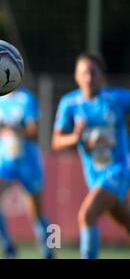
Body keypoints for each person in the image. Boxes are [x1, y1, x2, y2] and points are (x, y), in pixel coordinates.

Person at [52, 52, 130, 259]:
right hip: (95, 175)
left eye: (94, 73)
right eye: (84, 73)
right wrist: (76, 137)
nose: (89, 78)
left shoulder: (116, 99)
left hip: (119, 170)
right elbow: (57, 142)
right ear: (76, 76)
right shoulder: (70, 104)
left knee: (87, 215)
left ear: (101, 76)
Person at [0, 87, 55, 259]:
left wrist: (12, 130)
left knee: (37, 213)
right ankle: (8, 248)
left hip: (28, 161)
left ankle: (50, 249)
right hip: (4, 159)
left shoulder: (26, 99)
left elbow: (34, 131)